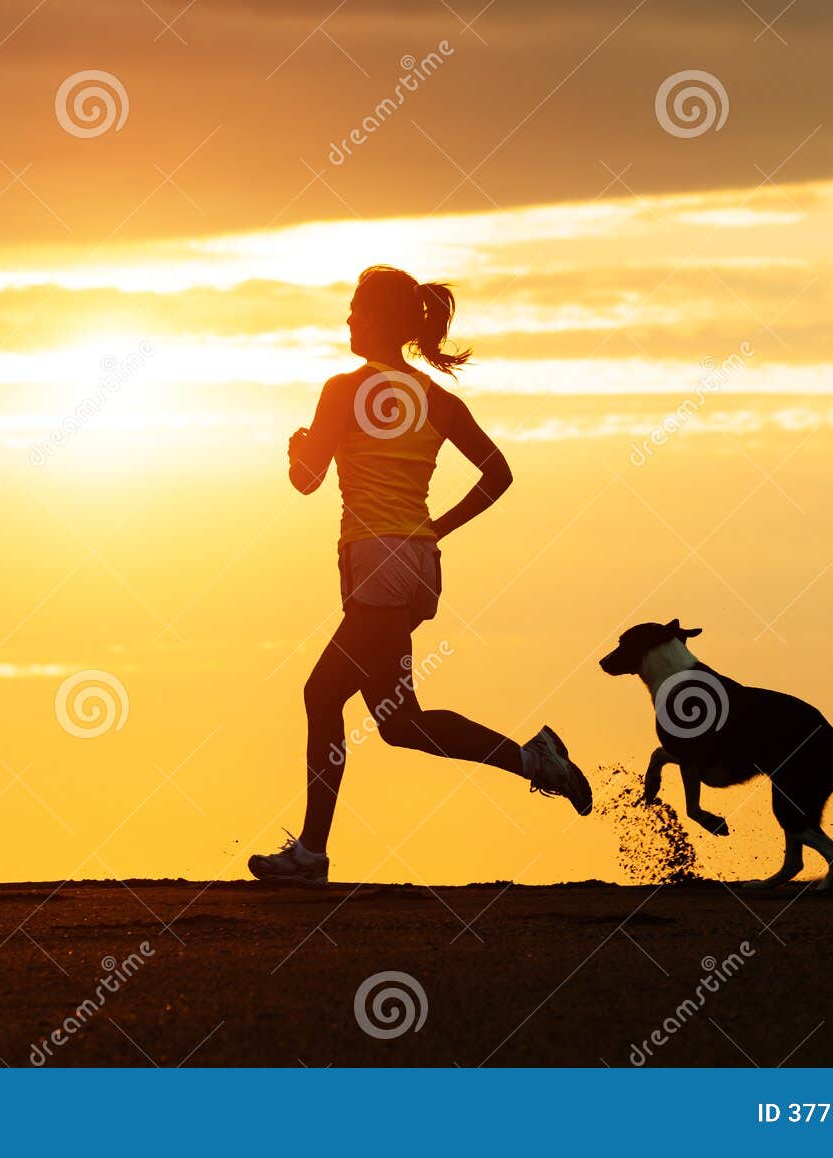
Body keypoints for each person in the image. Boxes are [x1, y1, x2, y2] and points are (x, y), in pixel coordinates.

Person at [248, 265, 592, 885]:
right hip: (417, 569)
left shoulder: (341, 391)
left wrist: (295, 448)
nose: (348, 318)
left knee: (321, 695)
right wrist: (437, 528)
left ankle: (311, 854)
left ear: (379, 318)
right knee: (400, 721)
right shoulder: (437, 400)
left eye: (355, 308)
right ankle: (534, 761)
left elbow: (306, 481)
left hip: (375, 565)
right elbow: (498, 474)